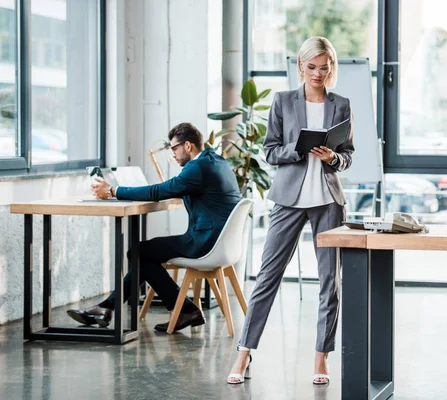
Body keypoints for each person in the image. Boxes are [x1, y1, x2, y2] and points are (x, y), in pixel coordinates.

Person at [227, 36, 354, 385]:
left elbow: (348, 155)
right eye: (312, 67)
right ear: (300, 66)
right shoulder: (283, 102)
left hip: (328, 201)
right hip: (288, 200)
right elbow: (269, 151)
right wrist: (297, 151)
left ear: (331, 68)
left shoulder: (341, 104)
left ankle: (321, 358)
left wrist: (334, 157)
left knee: (330, 283)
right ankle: (244, 353)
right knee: (268, 277)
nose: (318, 73)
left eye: (324, 67)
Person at [67, 122, 242, 332]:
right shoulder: (216, 162)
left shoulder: (197, 168)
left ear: (188, 146)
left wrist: (113, 190)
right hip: (221, 243)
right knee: (142, 253)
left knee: (139, 252)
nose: (173, 154)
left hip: (206, 243)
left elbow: (159, 191)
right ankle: (107, 307)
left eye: (174, 148)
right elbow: (183, 189)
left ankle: (182, 309)